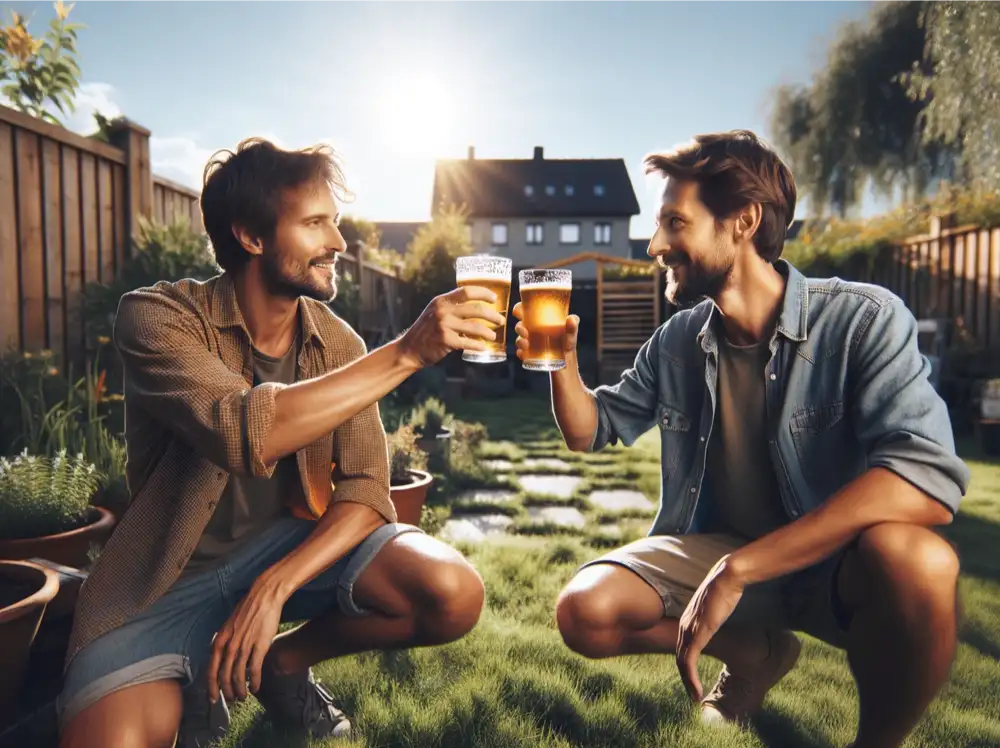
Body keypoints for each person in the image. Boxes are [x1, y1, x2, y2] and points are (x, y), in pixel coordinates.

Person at [513, 130, 970, 748]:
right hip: (718, 549)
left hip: (829, 559)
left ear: (744, 221)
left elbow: (925, 480)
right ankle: (757, 652)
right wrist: (560, 362)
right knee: (585, 612)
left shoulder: (863, 320)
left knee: (922, 562)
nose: (655, 244)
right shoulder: (678, 341)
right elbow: (591, 430)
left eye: (675, 222)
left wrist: (743, 568)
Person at [57, 137, 504, 748]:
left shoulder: (337, 343)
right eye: (317, 223)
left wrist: (275, 587)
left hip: (282, 549)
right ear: (251, 236)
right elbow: (243, 432)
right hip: (164, 578)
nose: (339, 243)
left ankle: (282, 665)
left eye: (336, 222)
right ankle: (187, 680)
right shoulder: (159, 318)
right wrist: (403, 353)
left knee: (451, 592)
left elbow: (368, 491)